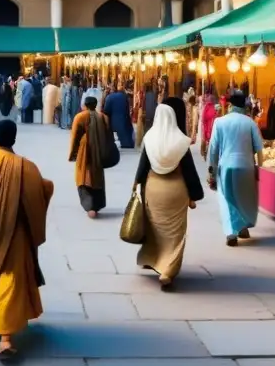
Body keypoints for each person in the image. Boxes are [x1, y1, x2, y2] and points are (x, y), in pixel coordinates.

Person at [0, 119, 54, 361]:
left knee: (3, 277)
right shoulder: (28, 167)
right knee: (13, 276)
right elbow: (43, 190)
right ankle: (13, 315)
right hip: (17, 232)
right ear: (13, 139)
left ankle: (5, 338)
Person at [134, 103, 204, 290]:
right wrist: (195, 194)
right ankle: (168, 271)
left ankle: (153, 259)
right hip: (176, 191)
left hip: (154, 189)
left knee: (155, 228)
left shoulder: (150, 138)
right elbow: (189, 171)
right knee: (174, 233)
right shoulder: (181, 141)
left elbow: (143, 167)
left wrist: (136, 185)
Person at [209, 89, 263, 247]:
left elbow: (213, 149)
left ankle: (231, 232)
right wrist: (259, 167)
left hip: (226, 166)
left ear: (230, 105)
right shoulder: (250, 122)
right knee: (245, 197)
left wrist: (211, 169)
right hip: (246, 166)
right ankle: (243, 226)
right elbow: (259, 148)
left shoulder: (220, 122)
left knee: (227, 199)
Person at [69, 95, 108, 217]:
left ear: (85, 105)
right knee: (97, 176)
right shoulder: (103, 117)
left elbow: (75, 136)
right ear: (95, 105)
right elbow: (108, 135)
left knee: (83, 176)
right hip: (99, 151)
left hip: (84, 150)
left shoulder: (80, 117)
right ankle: (97, 204)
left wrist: (73, 154)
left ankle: (89, 206)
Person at [103, 80, 134, 149]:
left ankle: (109, 141)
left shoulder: (109, 97)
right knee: (126, 141)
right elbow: (127, 110)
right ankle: (127, 143)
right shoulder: (124, 97)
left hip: (112, 122)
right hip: (123, 121)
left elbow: (106, 111)